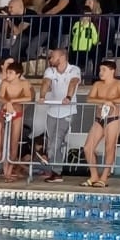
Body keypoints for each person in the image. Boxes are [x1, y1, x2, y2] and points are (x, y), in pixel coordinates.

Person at [83, 60, 120, 187]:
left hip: (113, 119)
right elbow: (89, 98)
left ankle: (104, 177)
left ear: (112, 71)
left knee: (109, 148)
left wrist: (111, 102)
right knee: (88, 147)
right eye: (100, 70)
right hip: (99, 119)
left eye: (103, 70)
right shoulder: (97, 84)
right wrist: (105, 100)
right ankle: (94, 175)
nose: (100, 72)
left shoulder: (119, 84)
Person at [37, 48, 81, 183]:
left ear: (62, 57)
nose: (50, 59)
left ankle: (47, 156)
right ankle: (56, 173)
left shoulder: (74, 69)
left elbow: (73, 82)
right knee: (53, 141)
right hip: (52, 110)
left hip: (67, 111)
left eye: (52, 57)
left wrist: (68, 97)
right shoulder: (50, 70)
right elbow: (46, 82)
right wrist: (43, 96)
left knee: (58, 137)